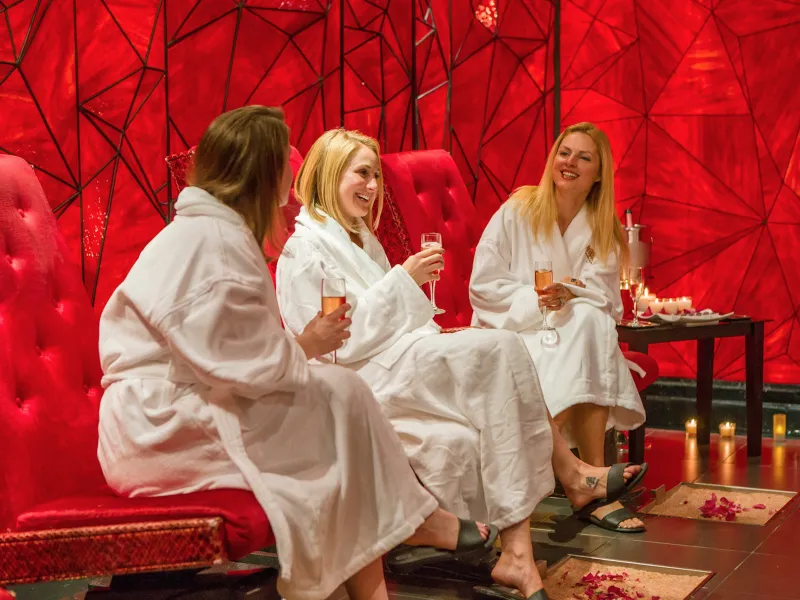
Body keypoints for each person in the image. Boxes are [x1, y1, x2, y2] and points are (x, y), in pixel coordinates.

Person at [96, 106, 497, 600]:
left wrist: (302, 349)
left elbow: (233, 351)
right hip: (162, 430)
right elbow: (243, 362)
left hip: (181, 407)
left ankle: (382, 568)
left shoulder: (215, 233)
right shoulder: (212, 242)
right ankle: (407, 528)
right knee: (339, 403)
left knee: (341, 395)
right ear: (261, 175)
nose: (291, 185)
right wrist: (305, 346)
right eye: (285, 169)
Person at [276, 127, 647, 600]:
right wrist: (403, 281)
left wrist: (406, 293)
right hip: (361, 378)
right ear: (329, 173)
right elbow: (335, 344)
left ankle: (518, 550)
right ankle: (570, 475)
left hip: (398, 360)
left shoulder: (357, 239)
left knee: (500, 360)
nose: (372, 187)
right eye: (361, 174)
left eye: (375, 176)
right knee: (499, 348)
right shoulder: (303, 249)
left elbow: (381, 318)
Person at [469, 121, 648, 533]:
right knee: (590, 333)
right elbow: (483, 285)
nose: (570, 162)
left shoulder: (603, 229)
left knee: (591, 324)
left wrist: (569, 295)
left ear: (599, 173)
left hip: (569, 329)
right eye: (564, 153)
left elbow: (605, 298)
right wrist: (538, 301)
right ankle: (590, 483)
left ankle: (578, 477)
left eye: (584, 157)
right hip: (514, 329)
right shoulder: (518, 210)